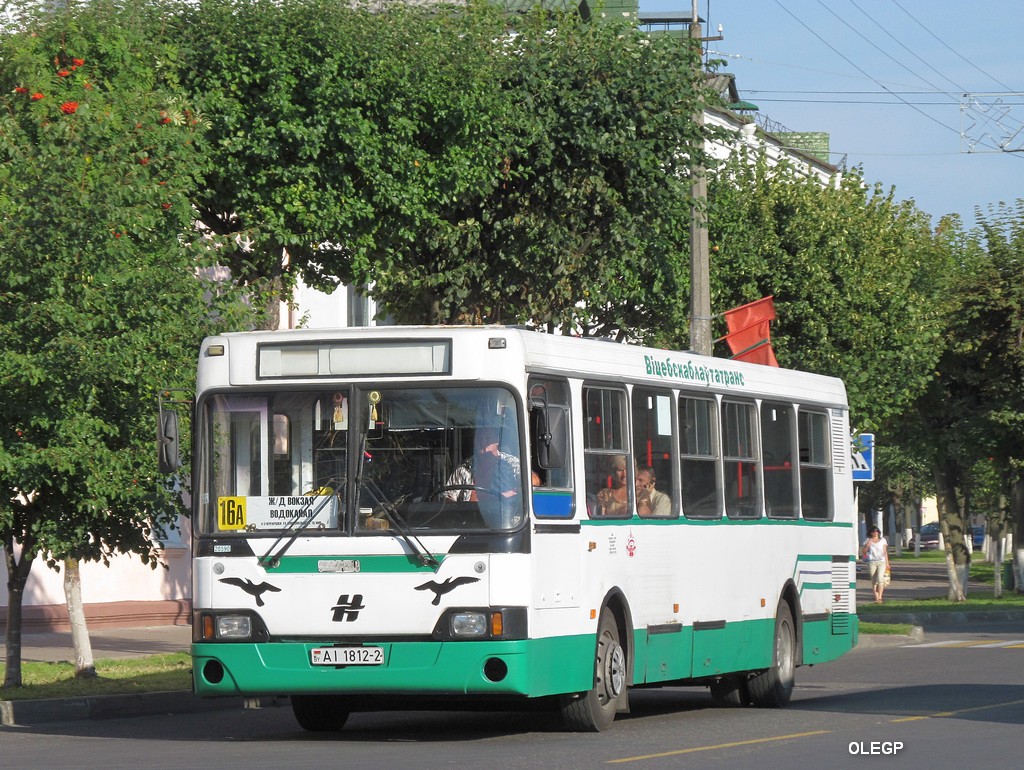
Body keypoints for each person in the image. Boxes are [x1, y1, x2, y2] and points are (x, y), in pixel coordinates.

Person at [444, 426, 521, 502]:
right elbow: (447, 498)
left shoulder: (512, 463)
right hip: (469, 514)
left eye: (487, 438)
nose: (483, 442)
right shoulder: (465, 468)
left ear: (497, 439)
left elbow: (532, 482)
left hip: (503, 513)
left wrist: (508, 494)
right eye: (479, 438)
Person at [861, 525, 891, 604]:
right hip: (872, 562)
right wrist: (868, 545)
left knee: (880, 578)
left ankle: (880, 597)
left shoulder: (882, 540)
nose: (875, 533)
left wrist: (887, 563)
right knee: (874, 580)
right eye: (873, 531)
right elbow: (863, 552)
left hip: (882, 561)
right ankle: (876, 597)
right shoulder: (868, 540)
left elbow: (885, 552)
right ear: (870, 533)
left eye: (877, 531)